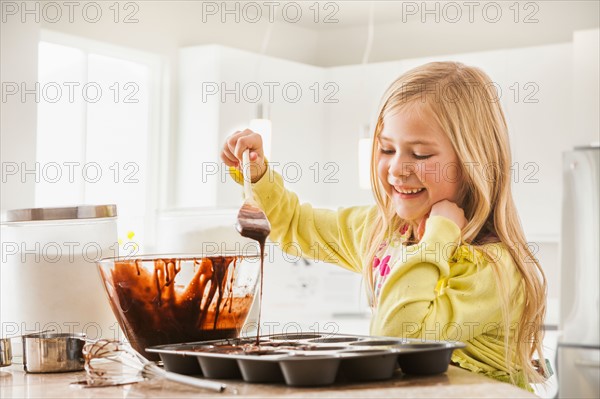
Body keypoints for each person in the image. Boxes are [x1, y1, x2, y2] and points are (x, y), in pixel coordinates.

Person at [220, 61, 547, 390]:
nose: (397, 169)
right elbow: (295, 225)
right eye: (387, 148)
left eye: (420, 155)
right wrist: (258, 175)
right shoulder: (382, 232)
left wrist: (438, 238)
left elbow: (397, 340)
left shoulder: (492, 269)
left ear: (473, 162)